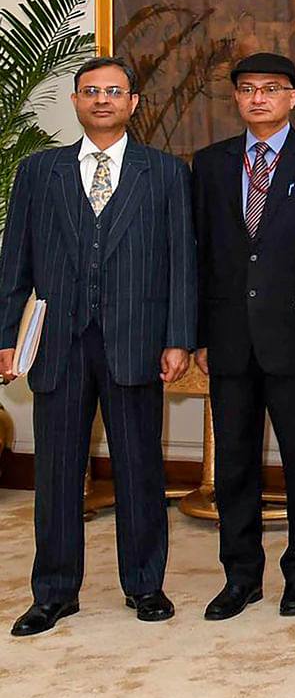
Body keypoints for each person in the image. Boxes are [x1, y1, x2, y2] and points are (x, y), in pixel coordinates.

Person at [1, 56, 196, 635]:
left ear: (134, 102)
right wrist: (6, 338)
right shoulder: (40, 172)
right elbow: (14, 266)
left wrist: (179, 338)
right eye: (91, 91)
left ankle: (145, 585)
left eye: (115, 91)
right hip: (59, 343)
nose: (102, 100)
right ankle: (55, 592)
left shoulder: (163, 173)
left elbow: (182, 262)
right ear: (77, 102)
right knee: (56, 472)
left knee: (139, 469)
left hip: (136, 341)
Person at [190, 52, 295, 621]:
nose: (257, 97)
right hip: (230, 337)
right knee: (234, 464)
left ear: (292, 97)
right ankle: (240, 576)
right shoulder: (209, 164)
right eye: (246, 89)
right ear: (236, 98)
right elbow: (201, 256)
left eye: (270, 88)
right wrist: (198, 334)